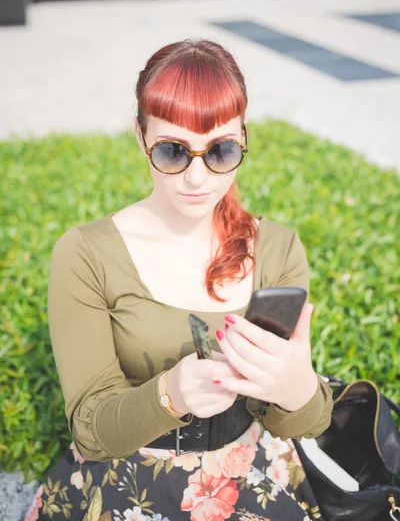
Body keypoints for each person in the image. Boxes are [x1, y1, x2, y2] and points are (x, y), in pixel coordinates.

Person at [25, 38, 333, 521]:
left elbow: (307, 422)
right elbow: (91, 428)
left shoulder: (278, 249)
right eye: (172, 152)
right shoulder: (86, 253)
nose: (196, 178)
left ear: (244, 139)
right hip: (125, 474)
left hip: (246, 470)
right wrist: (171, 394)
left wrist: (297, 387)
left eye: (221, 151)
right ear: (139, 136)